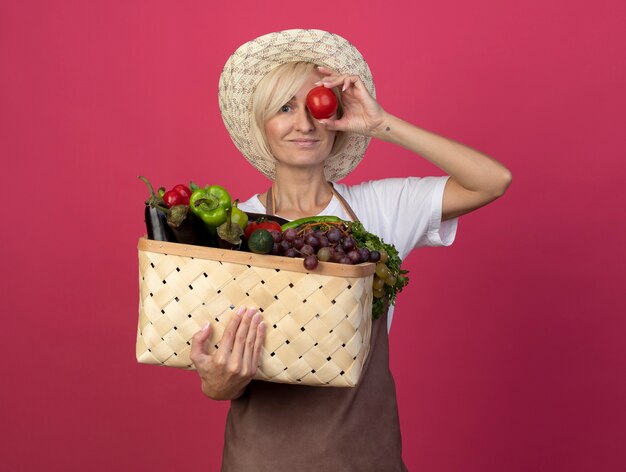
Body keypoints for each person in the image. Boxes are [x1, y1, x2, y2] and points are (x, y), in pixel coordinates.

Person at [189, 29, 512, 471]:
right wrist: (218, 381)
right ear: (262, 123)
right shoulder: (233, 228)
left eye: (317, 107)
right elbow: (217, 375)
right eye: (284, 108)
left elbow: (492, 180)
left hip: (364, 457)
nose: (303, 124)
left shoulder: (380, 209)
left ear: (337, 118)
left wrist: (382, 125)